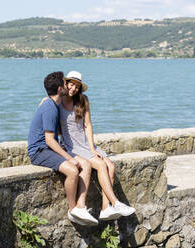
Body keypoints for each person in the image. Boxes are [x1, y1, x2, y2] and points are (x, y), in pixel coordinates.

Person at [59, 71, 135, 220]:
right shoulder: (58, 102)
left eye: (77, 86)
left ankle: (105, 208)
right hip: (72, 145)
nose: (73, 88)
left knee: (110, 166)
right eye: (71, 84)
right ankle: (115, 202)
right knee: (101, 164)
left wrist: (92, 148)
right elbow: (47, 110)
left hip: (86, 143)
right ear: (66, 83)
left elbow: (87, 125)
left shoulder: (83, 100)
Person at [28, 71, 98, 226]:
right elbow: (50, 140)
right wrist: (70, 157)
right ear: (60, 88)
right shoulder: (50, 108)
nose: (68, 86)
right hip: (39, 151)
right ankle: (73, 210)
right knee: (73, 170)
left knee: (83, 165)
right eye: (65, 83)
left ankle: (80, 207)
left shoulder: (53, 104)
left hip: (47, 149)